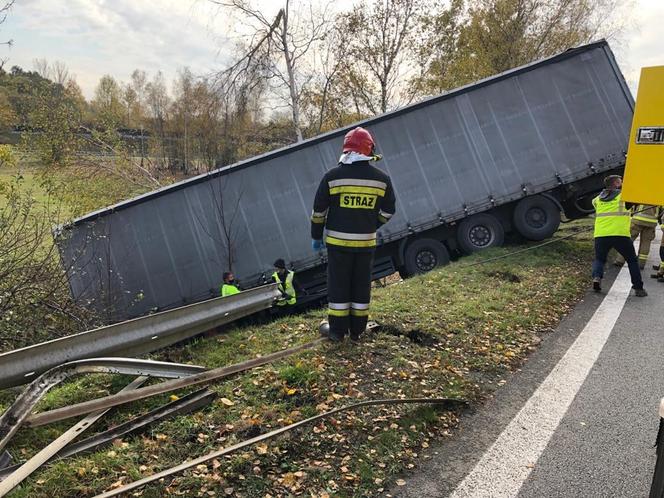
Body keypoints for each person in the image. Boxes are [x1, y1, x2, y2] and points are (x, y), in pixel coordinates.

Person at [310, 126, 396, 341]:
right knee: (360, 286)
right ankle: (357, 330)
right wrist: (370, 225)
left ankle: (337, 332)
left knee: (339, 286)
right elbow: (388, 211)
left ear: (347, 149)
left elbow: (319, 212)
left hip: (338, 245)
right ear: (369, 150)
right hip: (366, 244)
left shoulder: (331, 177)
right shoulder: (382, 179)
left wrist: (316, 235)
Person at [591, 174, 647, 296]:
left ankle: (597, 278)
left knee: (600, 259)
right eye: (621, 182)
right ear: (616, 183)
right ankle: (639, 289)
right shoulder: (624, 197)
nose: (623, 184)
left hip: (601, 234)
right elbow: (639, 199)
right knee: (632, 260)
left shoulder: (596, 199)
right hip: (620, 234)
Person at [614, 204, 661, 269]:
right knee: (646, 243)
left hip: (638, 219)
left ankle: (620, 260)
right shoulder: (660, 195)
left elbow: (630, 204)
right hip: (652, 222)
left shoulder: (640, 193)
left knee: (628, 239)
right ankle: (641, 264)